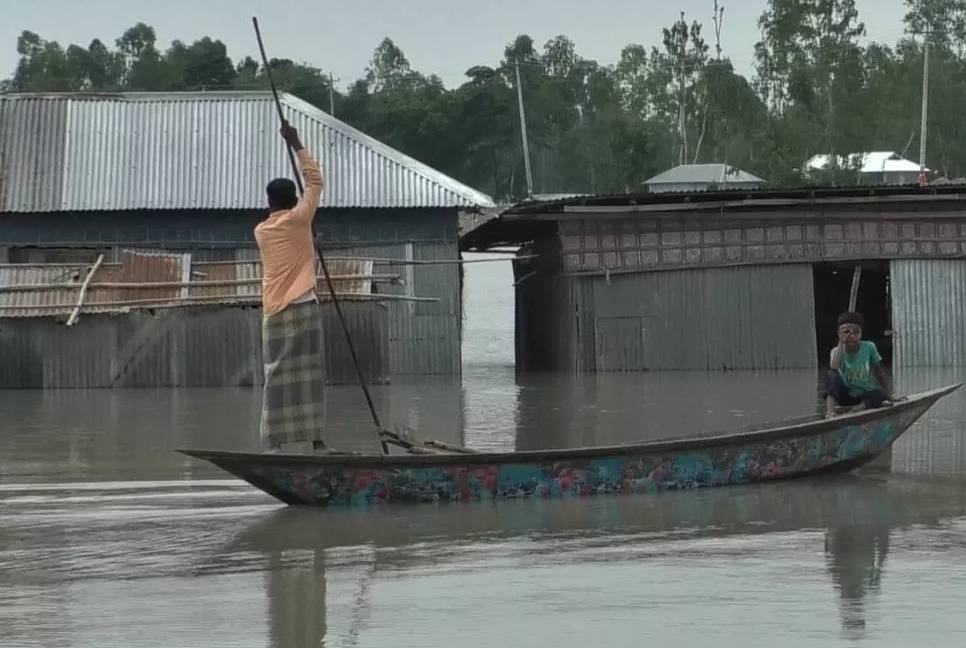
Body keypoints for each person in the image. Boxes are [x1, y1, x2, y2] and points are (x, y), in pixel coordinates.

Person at [254, 122, 325, 449]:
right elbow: (315, 180)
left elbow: (292, 234)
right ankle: (315, 440)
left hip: (274, 310)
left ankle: (274, 441)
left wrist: (308, 236)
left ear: (269, 203)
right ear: (294, 199)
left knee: (276, 377)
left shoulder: (262, 231)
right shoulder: (299, 219)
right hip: (303, 305)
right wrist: (297, 143)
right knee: (309, 377)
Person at [824, 312, 892, 418]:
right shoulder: (836, 352)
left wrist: (889, 396)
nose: (852, 336)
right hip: (846, 396)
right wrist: (841, 344)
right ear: (839, 334)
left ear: (861, 333)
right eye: (846, 332)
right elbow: (832, 376)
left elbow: (879, 372)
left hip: (865, 395)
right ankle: (830, 412)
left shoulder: (869, 347)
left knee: (880, 394)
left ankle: (859, 408)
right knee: (831, 375)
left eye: (856, 332)